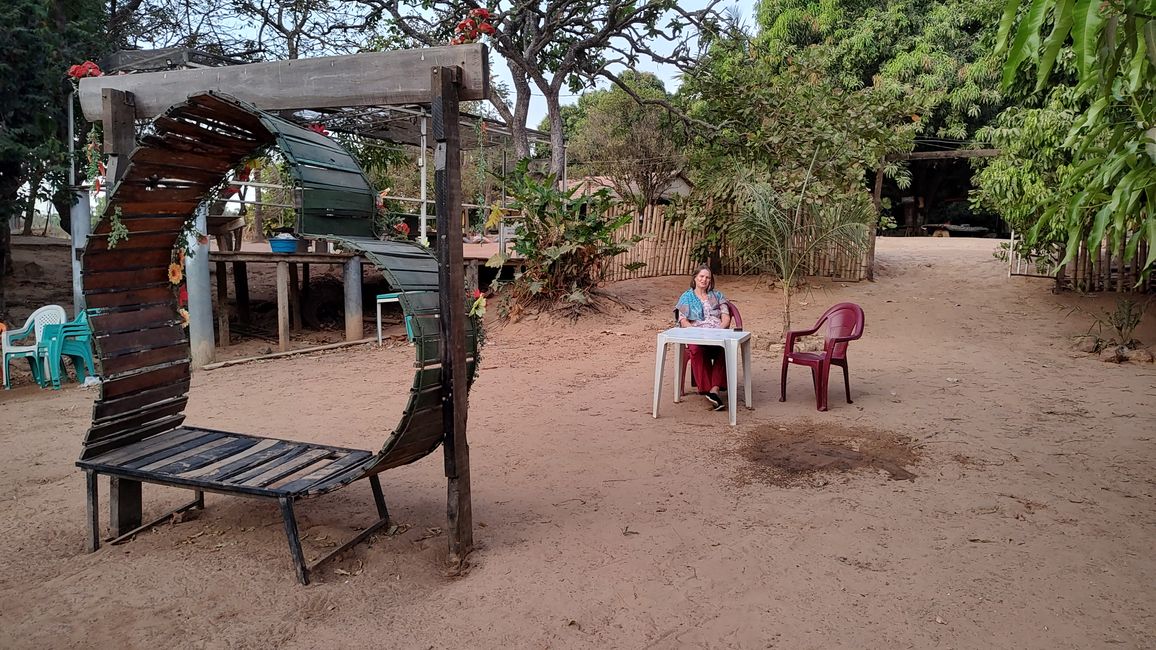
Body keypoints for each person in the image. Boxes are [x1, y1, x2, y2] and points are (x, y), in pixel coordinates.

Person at [675, 264, 732, 411]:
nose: (704, 280)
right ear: (695, 278)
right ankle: (708, 390)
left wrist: (719, 331)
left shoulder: (717, 296)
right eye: (701, 276)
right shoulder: (686, 297)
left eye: (707, 277)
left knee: (724, 349)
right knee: (696, 349)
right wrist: (695, 332)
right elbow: (683, 321)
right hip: (696, 334)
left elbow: (726, 317)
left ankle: (714, 390)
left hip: (716, 333)